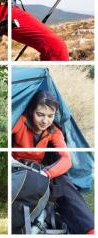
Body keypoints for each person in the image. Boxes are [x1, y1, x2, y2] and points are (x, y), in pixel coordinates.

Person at [12, 90, 94, 234]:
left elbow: (66, 160)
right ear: (31, 111)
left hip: (39, 169)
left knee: (63, 182)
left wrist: (46, 172)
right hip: (17, 167)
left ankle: (90, 230)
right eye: (40, 115)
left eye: (50, 116)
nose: (45, 121)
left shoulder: (54, 131)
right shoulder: (20, 122)